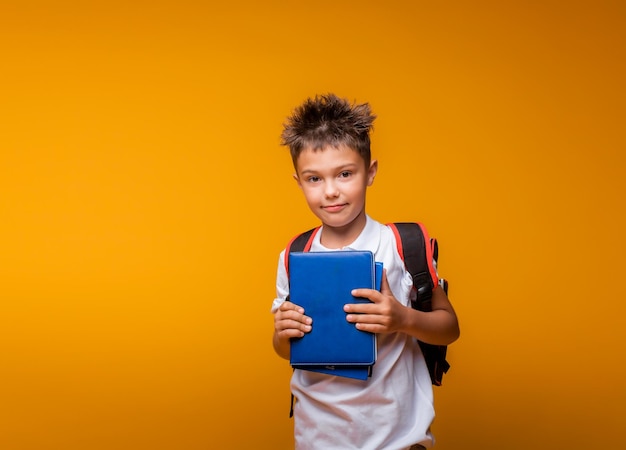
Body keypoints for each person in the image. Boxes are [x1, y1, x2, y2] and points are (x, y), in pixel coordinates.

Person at [271, 93, 460, 450]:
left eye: (345, 174)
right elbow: (284, 348)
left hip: (398, 438)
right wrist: (282, 332)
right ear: (298, 182)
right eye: (314, 179)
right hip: (317, 438)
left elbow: (449, 328)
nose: (330, 191)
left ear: (369, 172)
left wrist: (402, 318)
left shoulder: (403, 245)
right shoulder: (294, 255)